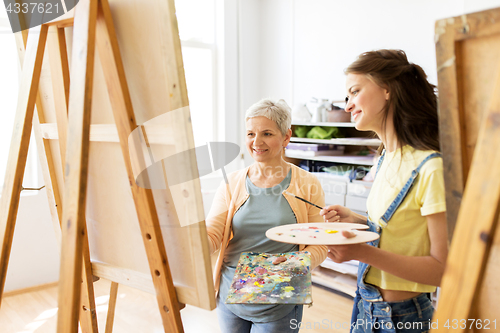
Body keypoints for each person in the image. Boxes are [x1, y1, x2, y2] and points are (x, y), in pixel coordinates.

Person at [320, 49, 448, 332]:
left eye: (355, 91)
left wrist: (361, 252)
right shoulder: (386, 158)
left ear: (387, 89)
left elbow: (441, 269)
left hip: (403, 318)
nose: (348, 104)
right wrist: (358, 220)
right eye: (347, 96)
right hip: (365, 305)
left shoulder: (431, 168)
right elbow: (402, 233)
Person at [206, 98, 328, 333]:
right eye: (250, 133)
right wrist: (190, 239)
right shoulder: (231, 183)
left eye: (267, 133)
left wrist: (296, 264)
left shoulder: (308, 183)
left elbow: (319, 243)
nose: (256, 142)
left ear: (286, 137)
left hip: (281, 297)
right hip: (231, 293)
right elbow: (213, 233)